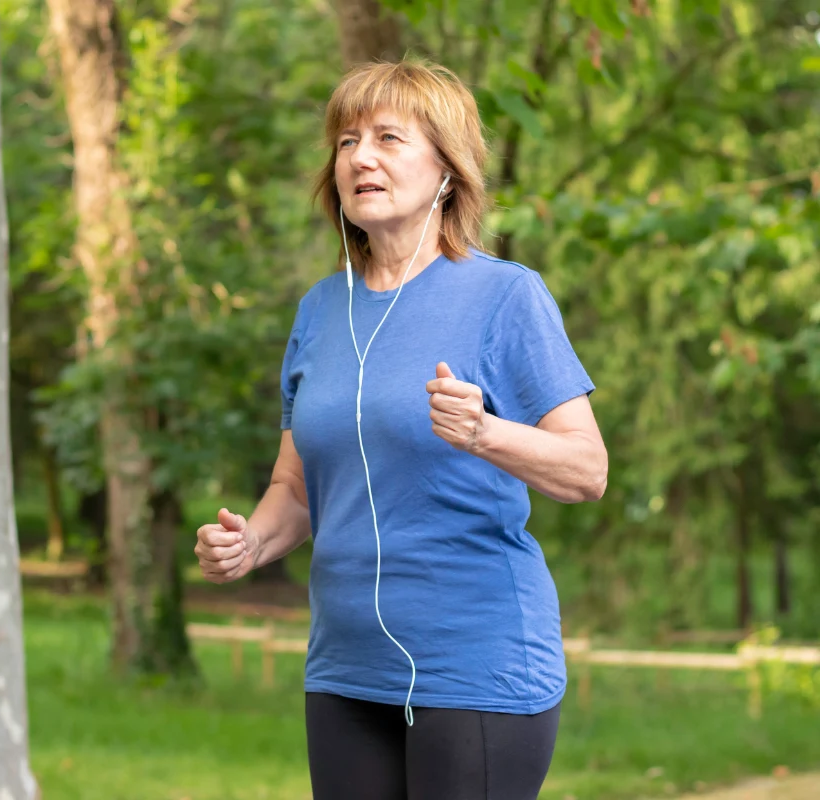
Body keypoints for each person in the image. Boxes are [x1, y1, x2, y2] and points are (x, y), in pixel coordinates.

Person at [194, 59, 608, 800]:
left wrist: (484, 433)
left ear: (448, 170)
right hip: (345, 670)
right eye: (347, 142)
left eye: (389, 138)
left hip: (476, 667)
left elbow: (588, 470)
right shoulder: (320, 310)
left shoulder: (505, 295)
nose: (361, 158)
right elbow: (297, 488)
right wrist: (251, 543)